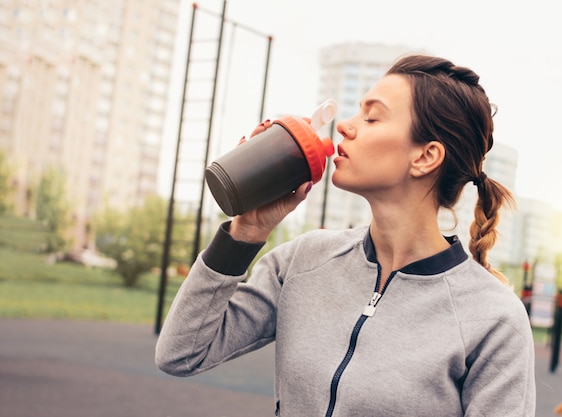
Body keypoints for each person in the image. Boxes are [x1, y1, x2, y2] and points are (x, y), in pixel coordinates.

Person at [155, 54, 536, 416]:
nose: (345, 126)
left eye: (372, 118)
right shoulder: (303, 262)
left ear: (425, 157)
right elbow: (181, 352)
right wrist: (247, 230)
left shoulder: (493, 319)